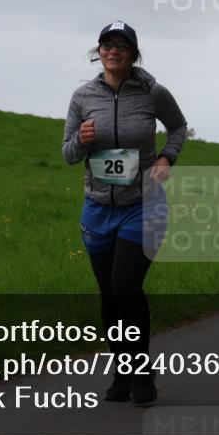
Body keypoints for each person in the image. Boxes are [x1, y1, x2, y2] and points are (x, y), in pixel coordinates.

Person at [62, 21, 187, 405]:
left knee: (126, 286)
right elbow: (67, 154)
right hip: (98, 208)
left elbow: (178, 127)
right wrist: (81, 143)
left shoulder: (152, 93)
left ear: (134, 53)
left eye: (121, 45)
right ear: (97, 51)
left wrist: (167, 157)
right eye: (106, 45)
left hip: (143, 205)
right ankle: (124, 368)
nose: (113, 51)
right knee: (109, 295)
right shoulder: (83, 96)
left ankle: (141, 370)